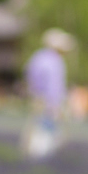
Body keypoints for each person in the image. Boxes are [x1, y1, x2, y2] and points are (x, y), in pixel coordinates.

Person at [21, 28, 76, 158]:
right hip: (49, 105)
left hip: (36, 100)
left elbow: (28, 76)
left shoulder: (38, 57)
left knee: (35, 133)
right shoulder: (56, 62)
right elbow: (54, 88)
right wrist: (57, 108)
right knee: (46, 138)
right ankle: (40, 163)